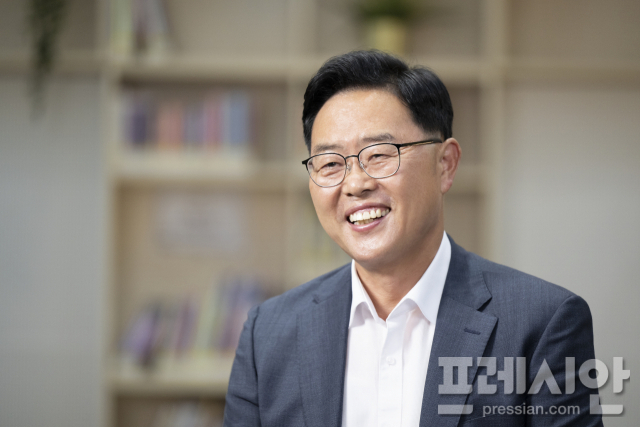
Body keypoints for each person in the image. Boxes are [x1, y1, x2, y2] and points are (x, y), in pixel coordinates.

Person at [223, 50, 603, 427]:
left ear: (445, 164)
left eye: (379, 155)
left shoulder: (543, 323)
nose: (355, 184)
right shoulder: (267, 334)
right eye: (331, 163)